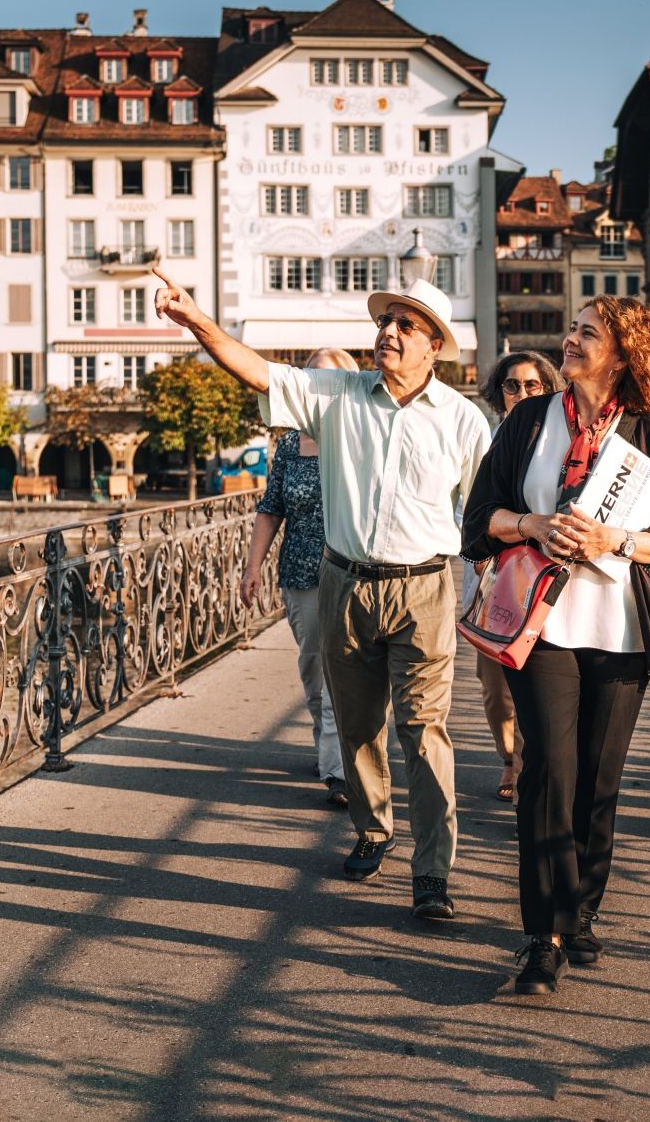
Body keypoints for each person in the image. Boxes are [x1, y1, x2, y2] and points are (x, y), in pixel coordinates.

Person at [151, 265, 491, 923]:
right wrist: (196, 320)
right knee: (359, 724)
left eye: (405, 325)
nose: (387, 332)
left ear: (434, 347)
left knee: (424, 731)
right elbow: (256, 370)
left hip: (423, 589)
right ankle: (372, 829)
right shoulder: (336, 394)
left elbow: (481, 512)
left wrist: (480, 587)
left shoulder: (464, 420)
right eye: (385, 322)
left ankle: (432, 870)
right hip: (344, 584)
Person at [462, 297, 650, 997]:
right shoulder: (530, 421)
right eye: (572, 329)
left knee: (598, 782)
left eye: (587, 334)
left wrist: (613, 540)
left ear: (624, 354)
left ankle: (584, 905)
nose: (569, 340)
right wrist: (532, 523)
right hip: (542, 627)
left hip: (620, 628)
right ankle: (545, 934)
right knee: (547, 774)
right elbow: (478, 518)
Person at [243, 347, 361, 810]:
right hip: (299, 573)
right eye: (311, 378)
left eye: (329, 379)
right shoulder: (290, 444)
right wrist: (253, 566)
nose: (319, 387)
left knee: (340, 676)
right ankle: (327, 746)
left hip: (351, 573)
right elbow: (270, 508)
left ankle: (339, 770)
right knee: (314, 672)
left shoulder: (359, 438)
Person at [472, 350, 566, 800]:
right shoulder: (484, 440)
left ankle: (527, 769)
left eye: (533, 386)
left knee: (539, 686)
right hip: (493, 582)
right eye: (512, 385)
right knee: (495, 689)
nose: (522, 393)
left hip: (547, 584)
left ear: (549, 390)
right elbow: (465, 509)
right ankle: (508, 756)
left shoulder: (561, 442)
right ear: (499, 393)